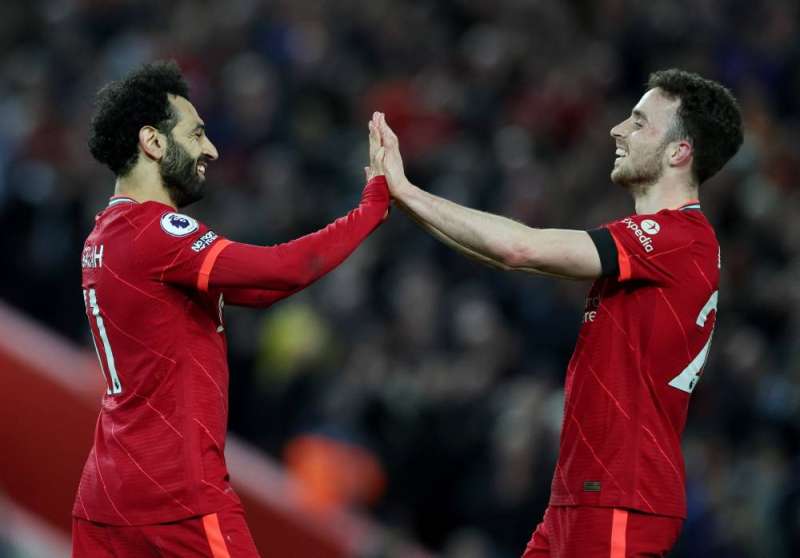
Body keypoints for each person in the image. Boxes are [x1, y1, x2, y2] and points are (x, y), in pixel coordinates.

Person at [371, 69, 743, 557]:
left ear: (679, 152)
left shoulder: (678, 239)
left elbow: (520, 249)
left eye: (638, 122)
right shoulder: (660, 243)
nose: (617, 130)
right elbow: (504, 257)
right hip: (581, 495)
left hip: (622, 496)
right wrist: (403, 200)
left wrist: (406, 189)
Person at [72, 60, 389, 557]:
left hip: (105, 499)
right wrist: (371, 208)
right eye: (196, 134)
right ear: (153, 142)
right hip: (175, 495)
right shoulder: (155, 233)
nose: (211, 150)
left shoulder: (102, 236)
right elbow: (279, 271)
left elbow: (256, 292)